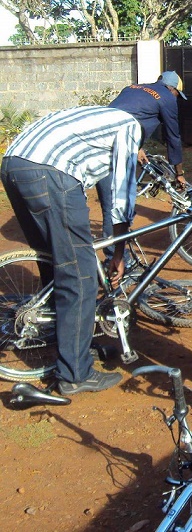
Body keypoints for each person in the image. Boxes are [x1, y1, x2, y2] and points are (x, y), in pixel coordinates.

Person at [1, 106, 143, 394]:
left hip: (13, 163)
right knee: (80, 275)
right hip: (50, 172)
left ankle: (72, 344)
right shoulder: (131, 126)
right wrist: (119, 253)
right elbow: (121, 192)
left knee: (55, 263)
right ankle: (75, 374)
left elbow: (105, 191)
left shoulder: (99, 118)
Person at [96, 70, 187, 246]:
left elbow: (125, 114)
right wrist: (179, 173)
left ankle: (112, 257)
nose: (176, 99)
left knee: (109, 205)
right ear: (172, 89)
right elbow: (173, 137)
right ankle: (119, 262)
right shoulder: (167, 98)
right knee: (121, 205)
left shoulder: (131, 88)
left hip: (99, 141)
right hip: (118, 148)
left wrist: (137, 147)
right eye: (177, 94)